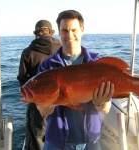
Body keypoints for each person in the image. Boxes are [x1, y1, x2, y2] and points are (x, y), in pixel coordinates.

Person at [36, 10, 114, 150]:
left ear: (82, 30)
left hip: (90, 143)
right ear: (59, 32)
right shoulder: (47, 67)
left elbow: (106, 108)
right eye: (64, 30)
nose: (69, 35)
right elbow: (43, 111)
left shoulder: (97, 63)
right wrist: (48, 101)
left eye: (74, 30)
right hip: (56, 143)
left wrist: (100, 103)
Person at [17, 19, 61, 150]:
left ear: (36, 32)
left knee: (37, 137)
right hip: (61, 100)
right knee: (59, 135)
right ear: (51, 32)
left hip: (38, 103)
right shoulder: (62, 49)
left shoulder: (28, 52)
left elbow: (23, 79)